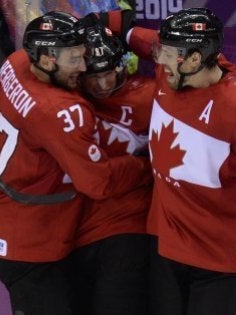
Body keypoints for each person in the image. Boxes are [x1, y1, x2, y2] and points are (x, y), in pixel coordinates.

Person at [89, 7, 236, 314]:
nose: (157, 60)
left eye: (167, 54)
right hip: (166, 250)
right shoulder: (171, 67)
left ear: (195, 59)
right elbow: (126, 29)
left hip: (223, 263)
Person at [0, 11, 151, 315]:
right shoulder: (63, 110)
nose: (83, 67)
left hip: (3, 213)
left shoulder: (18, 64)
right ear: (47, 60)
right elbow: (98, 182)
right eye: (75, 59)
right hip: (33, 236)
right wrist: (145, 168)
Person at [68, 23, 154, 315]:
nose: (103, 85)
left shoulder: (151, 95)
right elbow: (11, 86)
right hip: (71, 231)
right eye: (94, 77)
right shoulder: (63, 99)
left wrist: (128, 31)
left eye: (108, 74)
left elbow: (199, 62)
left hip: (126, 228)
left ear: (122, 66)